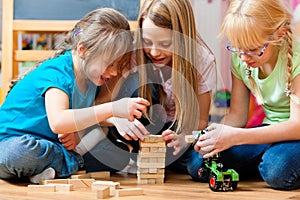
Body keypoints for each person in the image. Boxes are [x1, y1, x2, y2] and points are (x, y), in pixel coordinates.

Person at [0, 7, 150, 183]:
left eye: (118, 65)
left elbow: (85, 117)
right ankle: (69, 163)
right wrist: (112, 109)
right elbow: (58, 122)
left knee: (116, 154)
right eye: (110, 64)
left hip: (51, 145)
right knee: (20, 153)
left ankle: (48, 170)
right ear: (82, 50)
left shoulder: (91, 78)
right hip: (12, 144)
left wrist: (112, 119)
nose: (115, 72)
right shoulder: (58, 73)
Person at [194, 0, 300, 190]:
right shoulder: (241, 58)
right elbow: (237, 115)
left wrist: (236, 137)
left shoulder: (297, 58)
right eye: (238, 48)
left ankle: (267, 161)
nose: (243, 57)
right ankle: (264, 160)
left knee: (277, 170)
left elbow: (296, 126)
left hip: (296, 134)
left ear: (279, 35)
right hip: (268, 133)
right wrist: (209, 134)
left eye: (252, 49)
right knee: (199, 163)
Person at [107, 0, 216, 177]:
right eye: (147, 41)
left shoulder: (201, 60)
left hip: (179, 129)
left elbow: (201, 120)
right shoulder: (133, 52)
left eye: (166, 44)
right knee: (140, 84)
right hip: (141, 126)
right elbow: (104, 103)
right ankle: (145, 153)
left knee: (200, 167)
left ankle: (165, 159)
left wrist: (184, 138)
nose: (155, 52)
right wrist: (117, 118)